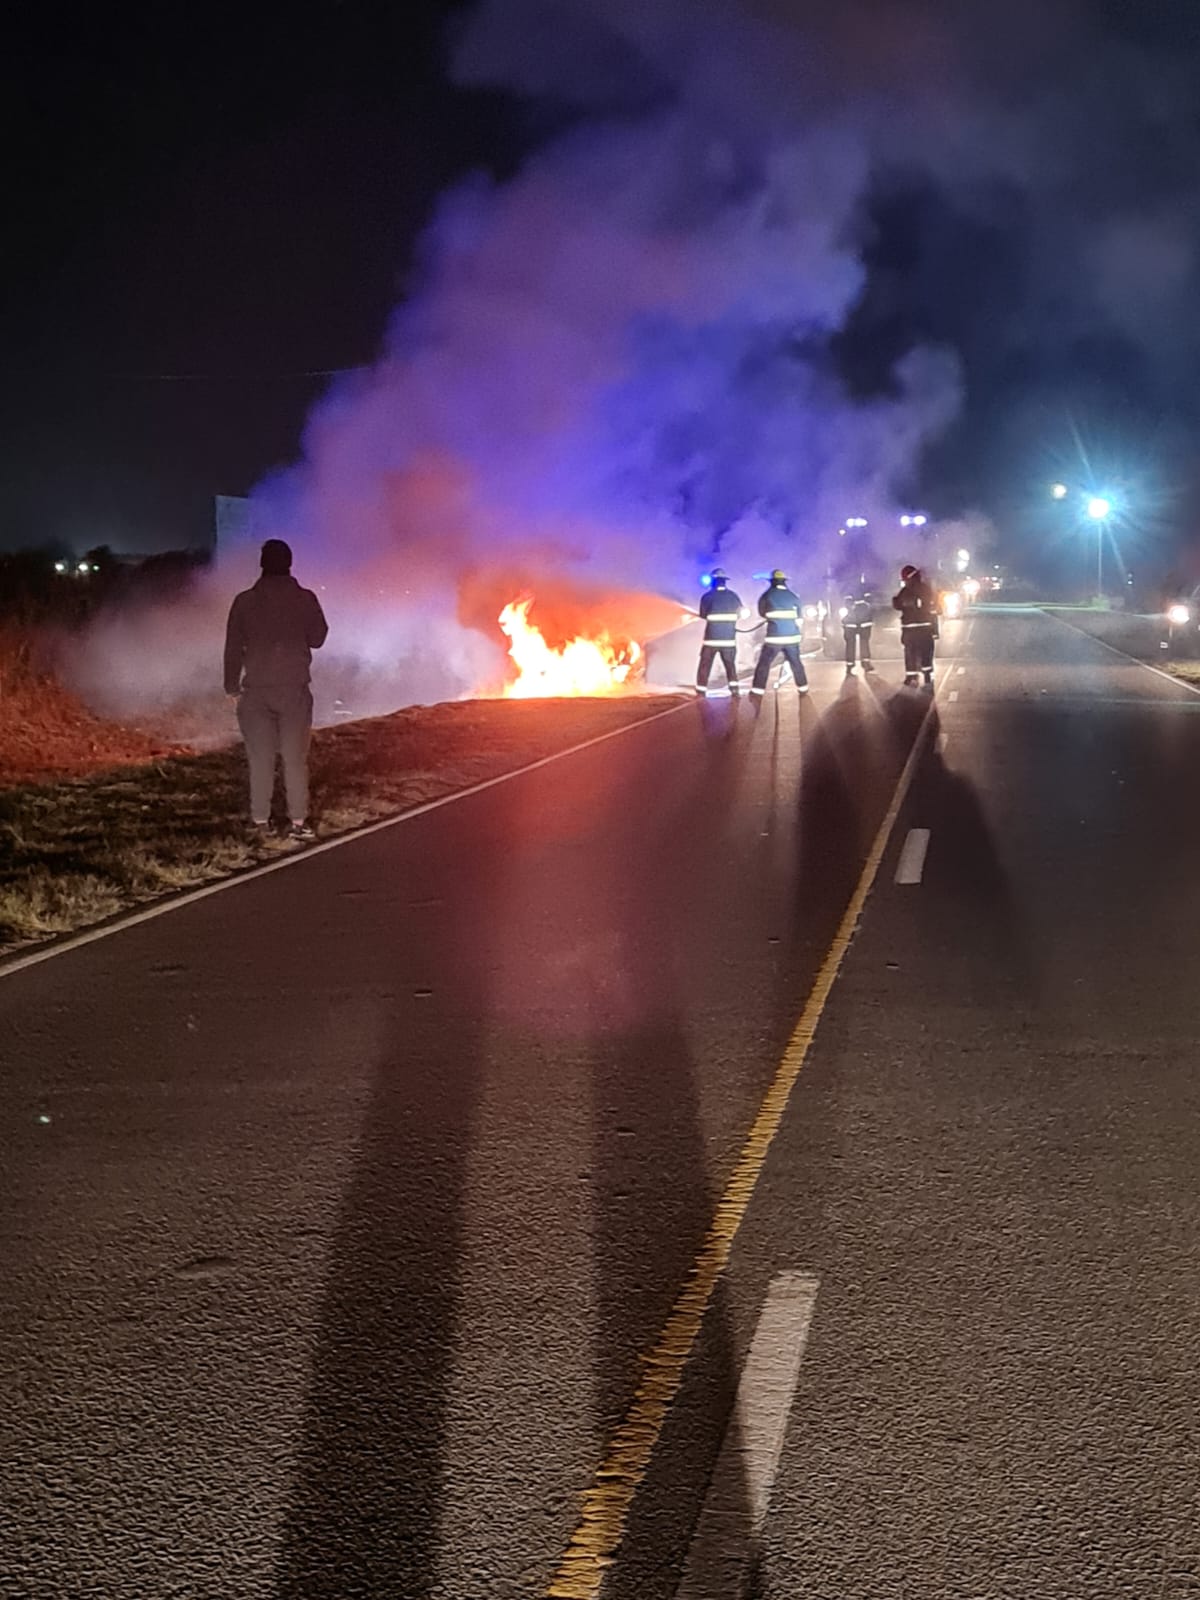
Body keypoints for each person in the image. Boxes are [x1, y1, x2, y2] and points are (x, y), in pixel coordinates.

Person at [224, 539, 329, 842]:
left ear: (262, 565)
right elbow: (318, 638)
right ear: (289, 564)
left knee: (260, 759)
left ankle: (261, 822)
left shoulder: (244, 601)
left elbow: (233, 647)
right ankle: (298, 823)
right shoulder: (305, 598)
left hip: (255, 691)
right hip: (294, 690)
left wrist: (231, 686)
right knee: (295, 759)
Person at [750, 569, 809, 697]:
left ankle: (757, 691)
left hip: (774, 638)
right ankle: (803, 688)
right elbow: (799, 619)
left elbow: (762, 613)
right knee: (796, 663)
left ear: (772, 582)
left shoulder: (767, 595)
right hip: (792, 638)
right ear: (784, 582)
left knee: (764, 664)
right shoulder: (793, 597)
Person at [695, 568, 744, 696]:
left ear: (712, 581)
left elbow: (703, 615)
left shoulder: (707, 597)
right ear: (725, 581)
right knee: (730, 666)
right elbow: (740, 614)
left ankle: (700, 692)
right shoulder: (734, 596)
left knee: (705, 666)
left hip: (711, 640)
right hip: (728, 640)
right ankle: (734, 690)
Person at [892, 563, 937, 686]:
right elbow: (933, 607)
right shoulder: (926, 589)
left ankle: (911, 677)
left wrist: (896, 601)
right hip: (925, 628)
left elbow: (897, 605)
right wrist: (935, 629)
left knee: (910, 653)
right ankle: (927, 675)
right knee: (926, 652)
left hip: (909, 629)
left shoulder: (905, 591)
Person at [842, 590, 875, 675]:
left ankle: (850, 666)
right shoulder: (864, 587)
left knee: (851, 644)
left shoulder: (847, 587)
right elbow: (870, 601)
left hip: (852, 621)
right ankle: (865, 663)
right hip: (863, 620)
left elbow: (846, 603)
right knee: (864, 642)